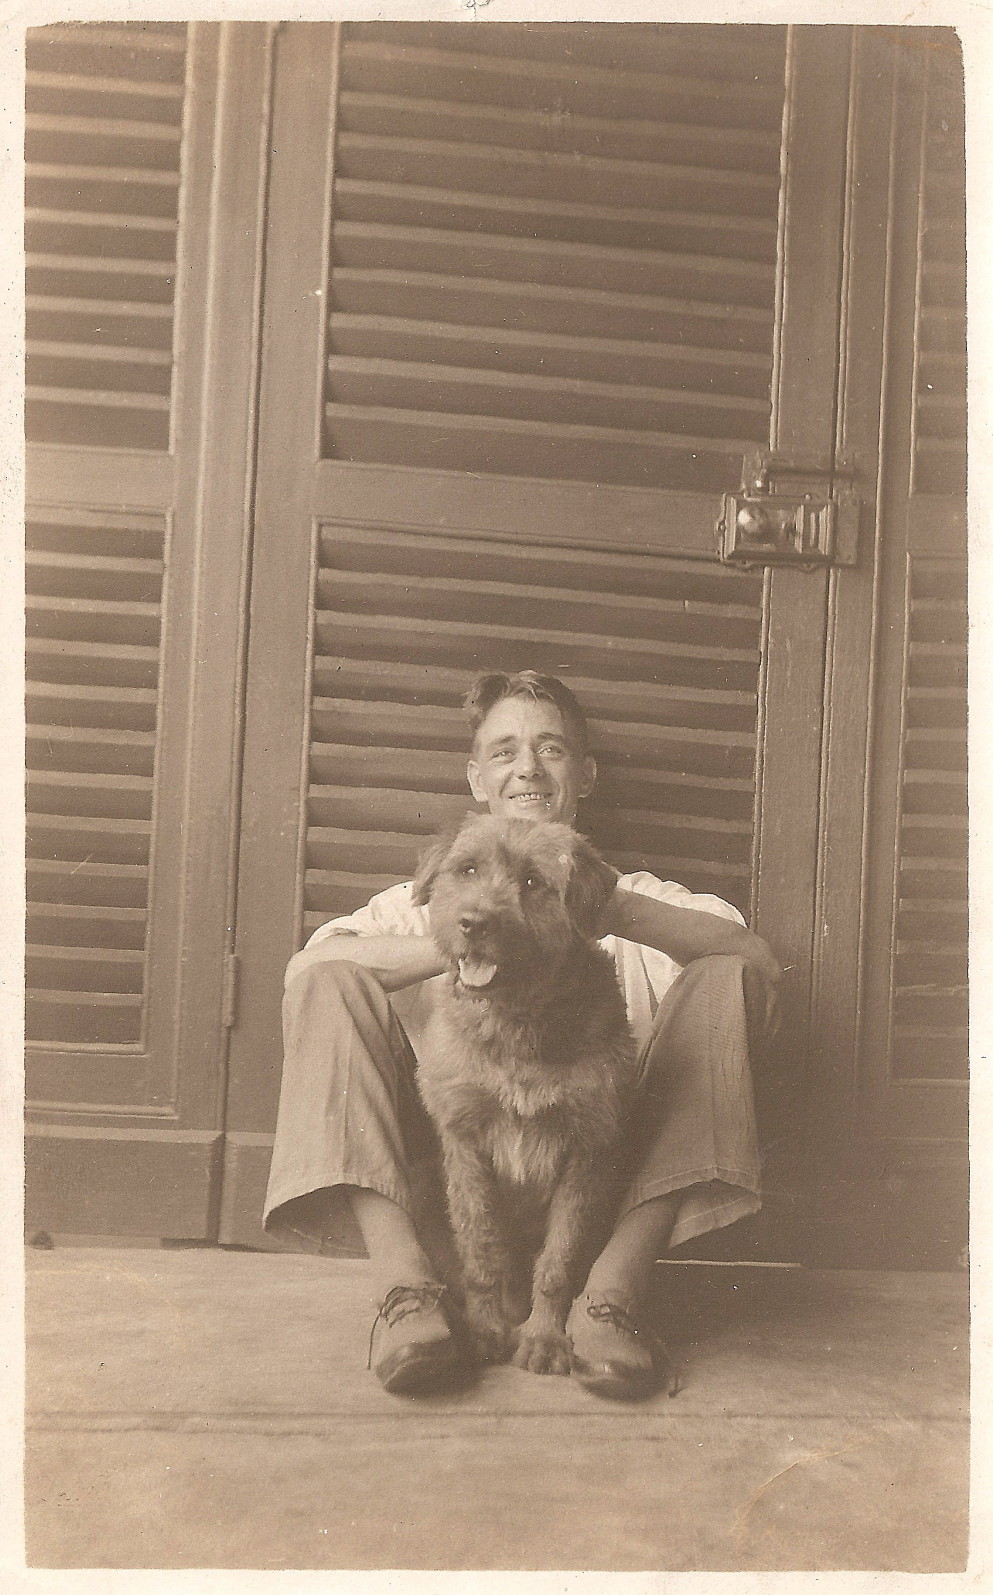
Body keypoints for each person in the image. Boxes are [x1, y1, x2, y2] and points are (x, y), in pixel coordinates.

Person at [263, 671, 782, 1399]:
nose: (527, 768)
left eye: (551, 749)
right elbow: (306, 973)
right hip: (457, 1199)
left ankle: (610, 1298)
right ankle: (407, 1290)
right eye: (503, 750)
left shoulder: (630, 894)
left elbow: (755, 964)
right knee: (328, 981)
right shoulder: (450, 889)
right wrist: (467, 945)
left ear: (586, 774)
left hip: (607, 1198)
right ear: (476, 776)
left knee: (724, 974)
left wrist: (592, 905)